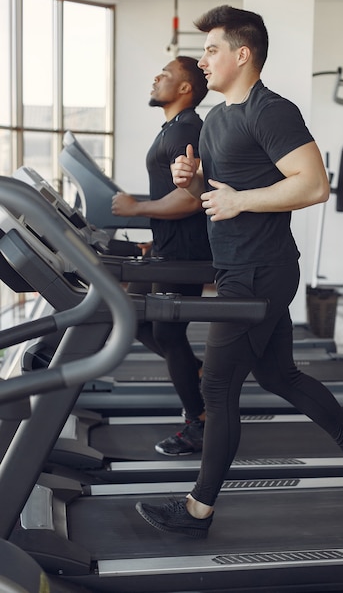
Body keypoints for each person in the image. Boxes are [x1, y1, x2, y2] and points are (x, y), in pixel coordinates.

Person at [136, 5, 343, 537]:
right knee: (277, 375)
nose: (203, 60)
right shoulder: (219, 120)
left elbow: (314, 184)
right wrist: (192, 181)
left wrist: (241, 200)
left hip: (260, 269)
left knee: (219, 386)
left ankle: (196, 510)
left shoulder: (270, 110)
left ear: (242, 54)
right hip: (237, 266)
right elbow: (217, 197)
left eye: (212, 49)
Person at [111, 56, 212, 456]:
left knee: (168, 334)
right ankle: (195, 369)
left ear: (186, 88)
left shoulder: (188, 130)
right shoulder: (173, 128)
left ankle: (198, 422)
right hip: (168, 247)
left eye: (165, 75)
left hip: (186, 252)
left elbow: (190, 199)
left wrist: (137, 209)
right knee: (132, 316)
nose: (156, 77)